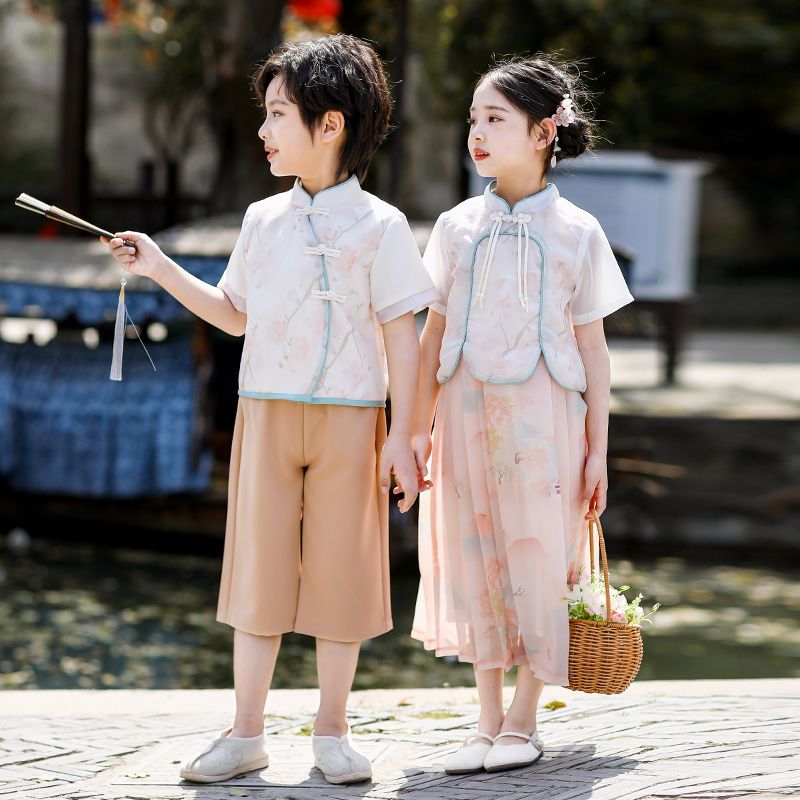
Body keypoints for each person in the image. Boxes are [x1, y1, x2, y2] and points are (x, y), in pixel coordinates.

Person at [103, 34, 438, 786]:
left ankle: (333, 732)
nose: (263, 130)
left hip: (356, 418)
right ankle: (245, 732)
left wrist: (405, 438)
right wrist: (157, 266)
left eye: (279, 114)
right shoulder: (261, 220)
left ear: (331, 125)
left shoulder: (383, 227)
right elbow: (232, 315)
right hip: (265, 414)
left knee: (345, 576)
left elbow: (405, 341)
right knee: (256, 572)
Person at [410, 54, 634, 775]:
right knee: (475, 555)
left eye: (494, 119)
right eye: (473, 119)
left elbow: (595, 352)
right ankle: (484, 719)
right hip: (465, 410)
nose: (476, 133)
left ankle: (524, 718)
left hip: (545, 418)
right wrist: (413, 430)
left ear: (544, 132)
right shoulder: (453, 226)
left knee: (541, 559)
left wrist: (599, 449)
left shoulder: (578, 230)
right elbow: (432, 333)